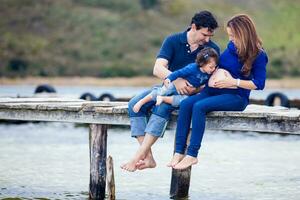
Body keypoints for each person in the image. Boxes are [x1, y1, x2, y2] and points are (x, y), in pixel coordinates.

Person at [121, 10, 220, 172]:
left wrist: (195, 89)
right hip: (168, 88)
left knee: (163, 106)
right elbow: (157, 68)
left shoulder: (212, 49)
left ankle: (137, 157)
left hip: (190, 97)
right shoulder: (173, 40)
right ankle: (149, 157)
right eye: (204, 35)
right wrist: (178, 80)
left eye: (210, 36)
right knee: (133, 104)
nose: (207, 40)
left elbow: (213, 78)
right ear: (193, 27)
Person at [168, 14, 268, 170]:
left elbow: (259, 84)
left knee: (199, 107)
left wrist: (233, 82)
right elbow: (213, 67)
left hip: (236, 97)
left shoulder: (259, 55)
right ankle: (178, 152)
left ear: (244, 34)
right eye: (229, 36)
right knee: (187, 103)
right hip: (212, 91)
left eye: (233, 36)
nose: (231, 40)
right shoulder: (229, 49)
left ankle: (192, 155)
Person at [133, 47, 219, 112]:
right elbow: (178, 73)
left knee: (183, 101)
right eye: (211, 67)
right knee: (163, 91)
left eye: (215, 67)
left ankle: (162, 99)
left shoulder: (209, 74)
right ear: (202, 63)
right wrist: (169, 79)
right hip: (175, 86)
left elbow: (206, 86)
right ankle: (141, 102)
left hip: (185, 92)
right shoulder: (192, 68)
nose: (213, 69)